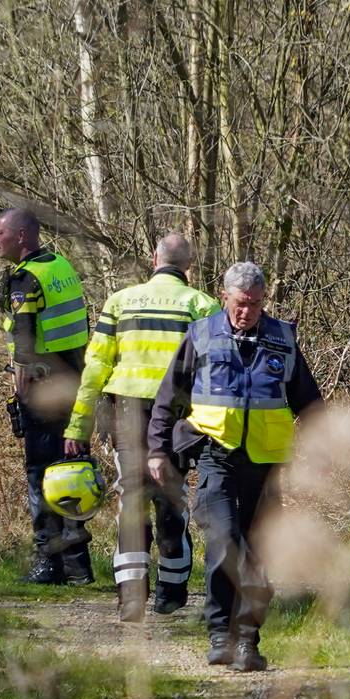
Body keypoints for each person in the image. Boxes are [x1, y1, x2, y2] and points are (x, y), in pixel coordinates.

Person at [147, 261, 322, 672]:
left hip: (266, 463)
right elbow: (169, 397)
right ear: (224, 296)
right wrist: (157, 450)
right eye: (242, 304)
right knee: (225, 543)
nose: (248, 312)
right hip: (215, 455)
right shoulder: (201, 334)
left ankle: (248, 641)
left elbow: (309, 402)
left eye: (256, 304)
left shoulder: (283, 339)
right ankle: (220, 632)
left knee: (258, 550)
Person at [63, 234, 220, 622]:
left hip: (128, 411)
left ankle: (131, 596)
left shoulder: (120, 301)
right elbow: (214, 373)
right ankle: (171, 589)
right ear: (189, 265)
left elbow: (95, 369)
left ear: (154, 260)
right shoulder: (201, 304)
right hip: (179, 415)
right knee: (172, 496)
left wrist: (77, 427)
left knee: (131, 497)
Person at [0, 207, 94, 585]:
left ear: (21, 236)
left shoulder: (25, 280)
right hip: (76, 382)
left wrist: (19, 398)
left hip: (44, 390)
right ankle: (77, 565)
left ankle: (47, 562)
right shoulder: (60, 266)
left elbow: (24, 347)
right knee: (72, 472)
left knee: (41, 475)